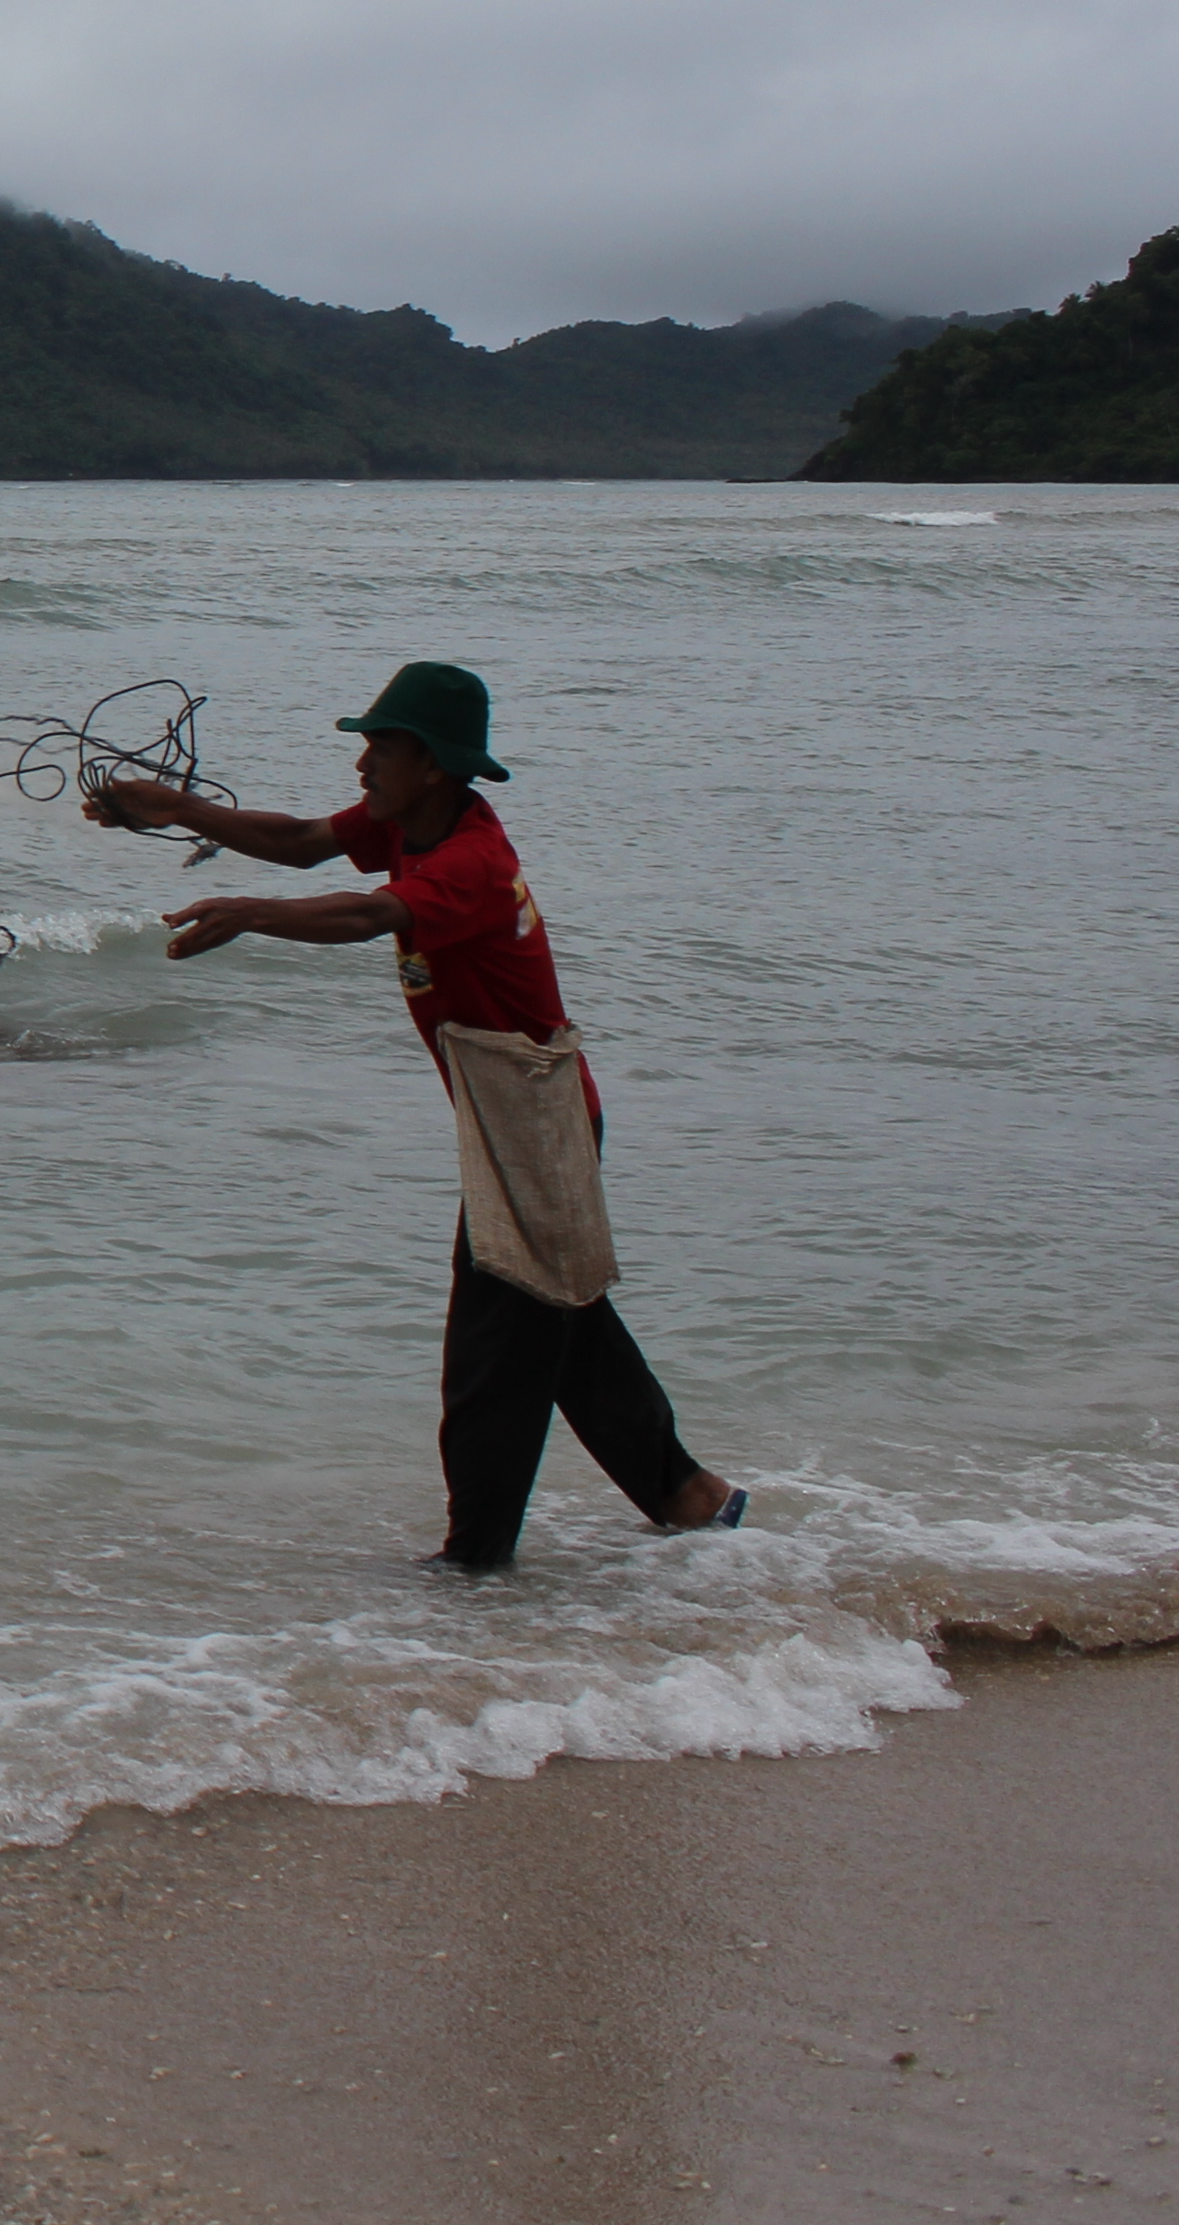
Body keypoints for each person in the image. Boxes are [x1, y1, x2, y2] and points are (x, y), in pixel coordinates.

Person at [84, 660, 742, 1571]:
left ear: (430, 762)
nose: (362, 767)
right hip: (512, 1113)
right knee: (567, 1327)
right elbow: (307, 838)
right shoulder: (415, 823)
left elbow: (366, 916)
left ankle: (475, 1566)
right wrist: (179, 808)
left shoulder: (470, 861)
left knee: (495, 1352)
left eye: (379, 748)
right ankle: (690, 1498)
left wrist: (247, 913)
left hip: (537, 1125)